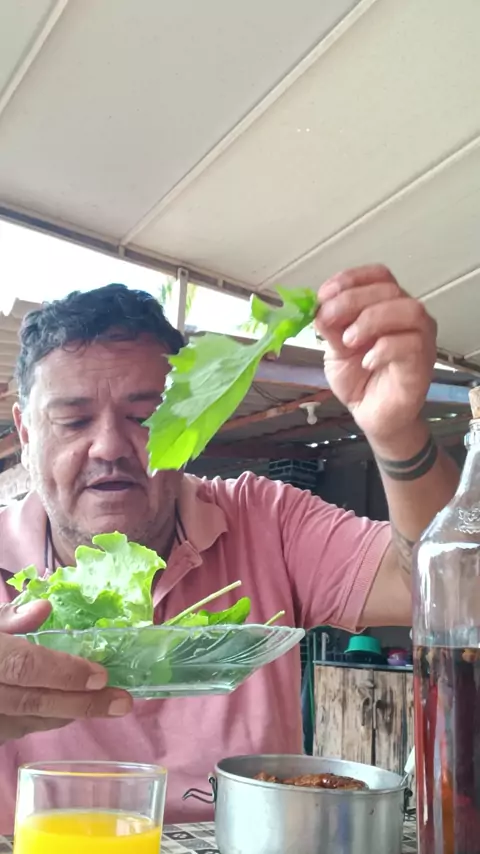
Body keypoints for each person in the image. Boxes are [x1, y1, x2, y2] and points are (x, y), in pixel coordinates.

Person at [0, 265, 458, 831]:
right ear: (26, 433)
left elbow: (450, 591)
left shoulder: (266, 520)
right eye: (73, 421)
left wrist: (398, 434)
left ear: (189, 420)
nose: (110, 447)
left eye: (145, 417)